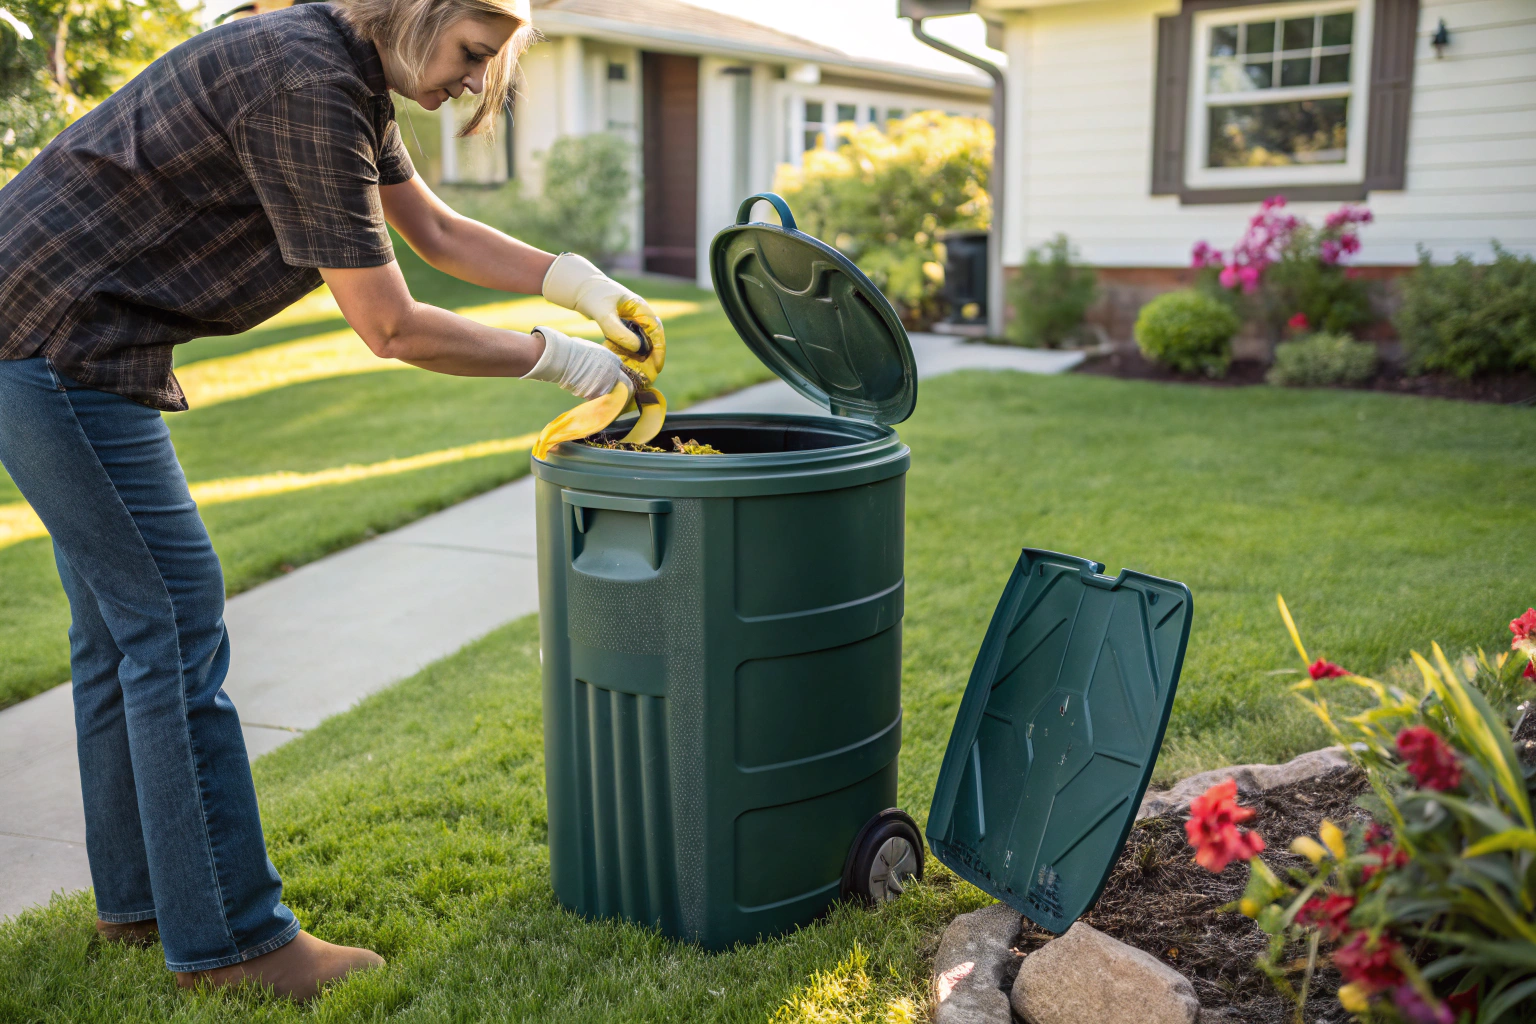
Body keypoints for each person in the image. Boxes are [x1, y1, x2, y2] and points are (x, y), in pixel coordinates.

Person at [0, 0, 662, 1000]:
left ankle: (141, 908)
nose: (476, 83)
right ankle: (234, 943)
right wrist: (568, 364)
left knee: (122, 631)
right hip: (57, 342)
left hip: (51, 336)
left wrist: (578, 285)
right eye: (473, 53)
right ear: (417, 10)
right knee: (173, 622)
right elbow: (390, 326)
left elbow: (432, 228)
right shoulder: (309, 83)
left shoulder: (336, 66)